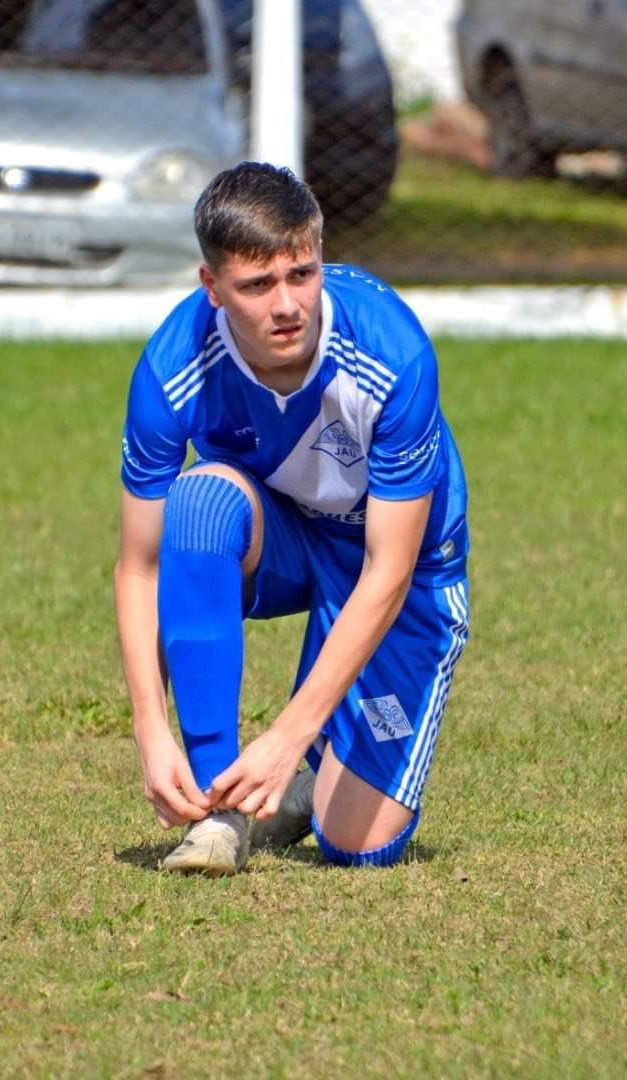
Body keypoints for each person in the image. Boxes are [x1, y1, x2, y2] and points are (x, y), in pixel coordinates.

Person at [114, 161, 469, 875]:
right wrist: (151, 730)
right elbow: (141, 565)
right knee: (200, 502)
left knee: (356, 846)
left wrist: (285, 736)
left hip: (396, 571)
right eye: (256, 285)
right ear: (211, 287)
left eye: (301, 274)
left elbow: (389, 572)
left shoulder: (391, 354)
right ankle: (217, 819)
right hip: (284, 538)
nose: (287, 305)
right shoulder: (172, 367)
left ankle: (309, 780)